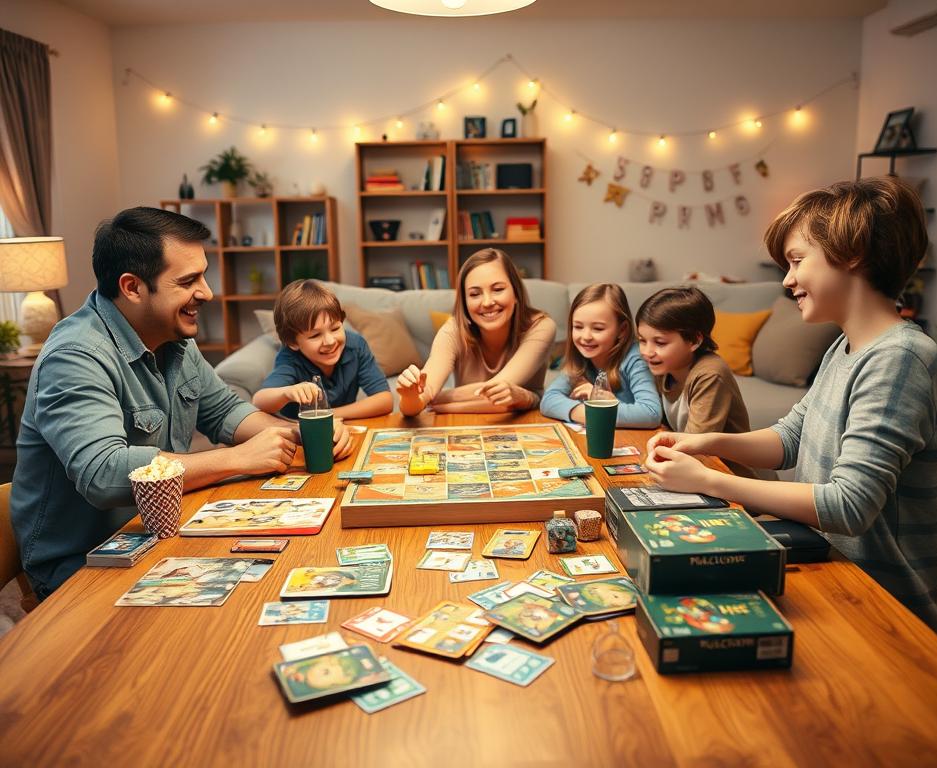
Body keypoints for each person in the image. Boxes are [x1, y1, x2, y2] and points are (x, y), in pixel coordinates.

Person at [643, 177, 937, 634]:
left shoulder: (900, 360)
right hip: (826, 565)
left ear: (852, 254)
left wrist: (711, 479)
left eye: (795, 261)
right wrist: (704, 440)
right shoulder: (846, 347)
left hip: (883, 608)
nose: (787, 279)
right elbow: (790, 438)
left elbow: (849, 506)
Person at [10, 207, 352, 600]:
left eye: (203, 275)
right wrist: (237, 458)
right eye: (189, 280)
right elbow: (103, 474)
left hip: (159, 536)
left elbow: (225, 411)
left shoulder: (174, 339)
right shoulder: (75, 356)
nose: (206, 292)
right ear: (132, 287)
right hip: (83, 565)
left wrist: (300, 432)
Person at [396, 248, 556, 416]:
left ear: (516, 293)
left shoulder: (541, 327)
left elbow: (497, 391)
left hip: (526, 423)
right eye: (475, 294)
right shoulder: (453, 331)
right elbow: (420, 397)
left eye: (498, 289)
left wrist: (439, 400)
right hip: (468, 426)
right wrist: (411, 396)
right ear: (464, 302)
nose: (487, 302)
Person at [635, 286, 756, 478]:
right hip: (698, 474)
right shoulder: (663, 366)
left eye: (660, 342)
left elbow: (694, 447)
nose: (647, 352)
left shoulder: (709, 374)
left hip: (735, 482)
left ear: (694, 341)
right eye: (642, 340)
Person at [252, 280, 392, 420]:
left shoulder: (356, 346)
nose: (330, 341)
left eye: (335, 328)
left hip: (340, 425)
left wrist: (326, 415)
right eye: (315, 335)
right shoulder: (290, 358)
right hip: (297, 432)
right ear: (293, 343)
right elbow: (259, 401)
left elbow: (385, 400)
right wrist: (287, 393)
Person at [540, 283, 659, 427]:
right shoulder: (578, 360)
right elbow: (548, 400)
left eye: (598, 328)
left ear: (622, 330)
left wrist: (601, 404)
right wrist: (589, 413)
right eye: (578, 327)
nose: (586, 336)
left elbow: (651, 413)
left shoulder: (635, 359)